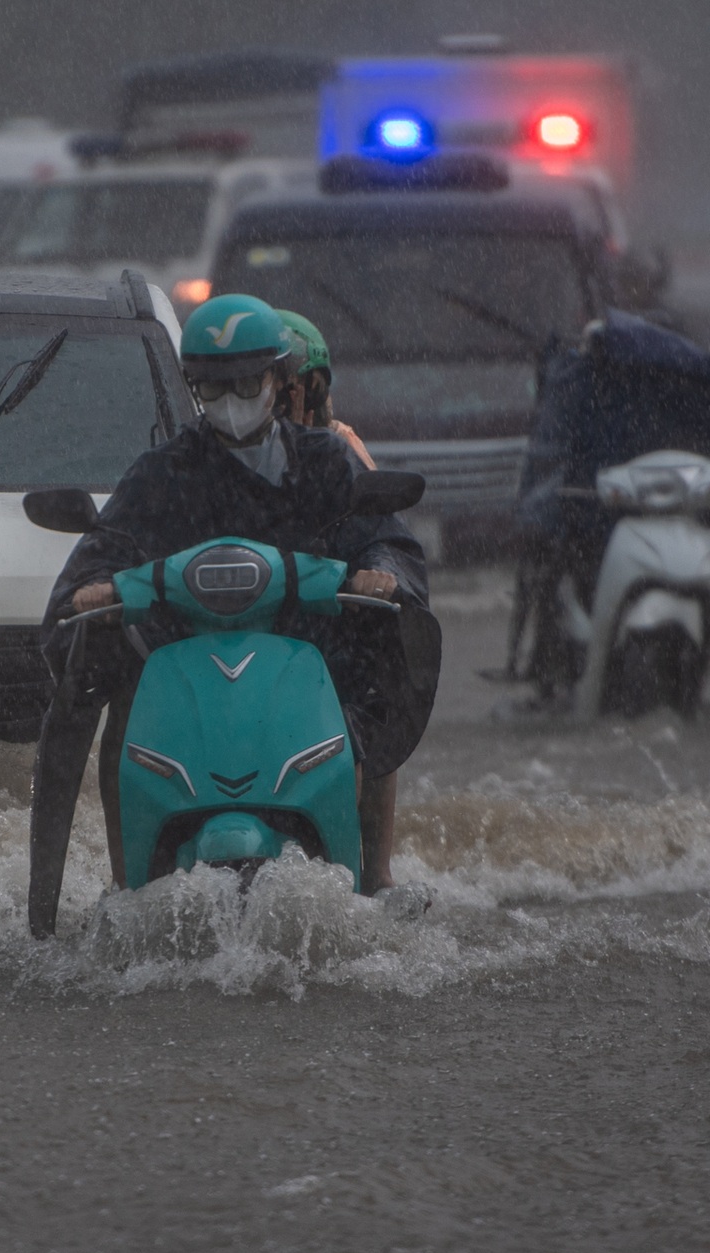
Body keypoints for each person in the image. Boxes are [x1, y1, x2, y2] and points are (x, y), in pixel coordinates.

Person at [25, 294, 437, 937]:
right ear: (194, 389)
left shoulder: (327, 462)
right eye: (214, 386)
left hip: (308, 655)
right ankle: (124, 881)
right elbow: (103, 548)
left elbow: (389, 539)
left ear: (277, 379)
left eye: (247, 381)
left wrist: (380, 569)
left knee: (370, 687)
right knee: (117, 689)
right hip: (184, 657)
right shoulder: (164, 472)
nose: (232, 398)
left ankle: (368, 880)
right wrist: (93, 588)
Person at [271, 308, 375, 469]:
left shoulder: (339, 446)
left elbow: (367, 489)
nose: (293, 403)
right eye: (282, 394)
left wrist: (310, 459)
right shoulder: (229, 451)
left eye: (309, 393)